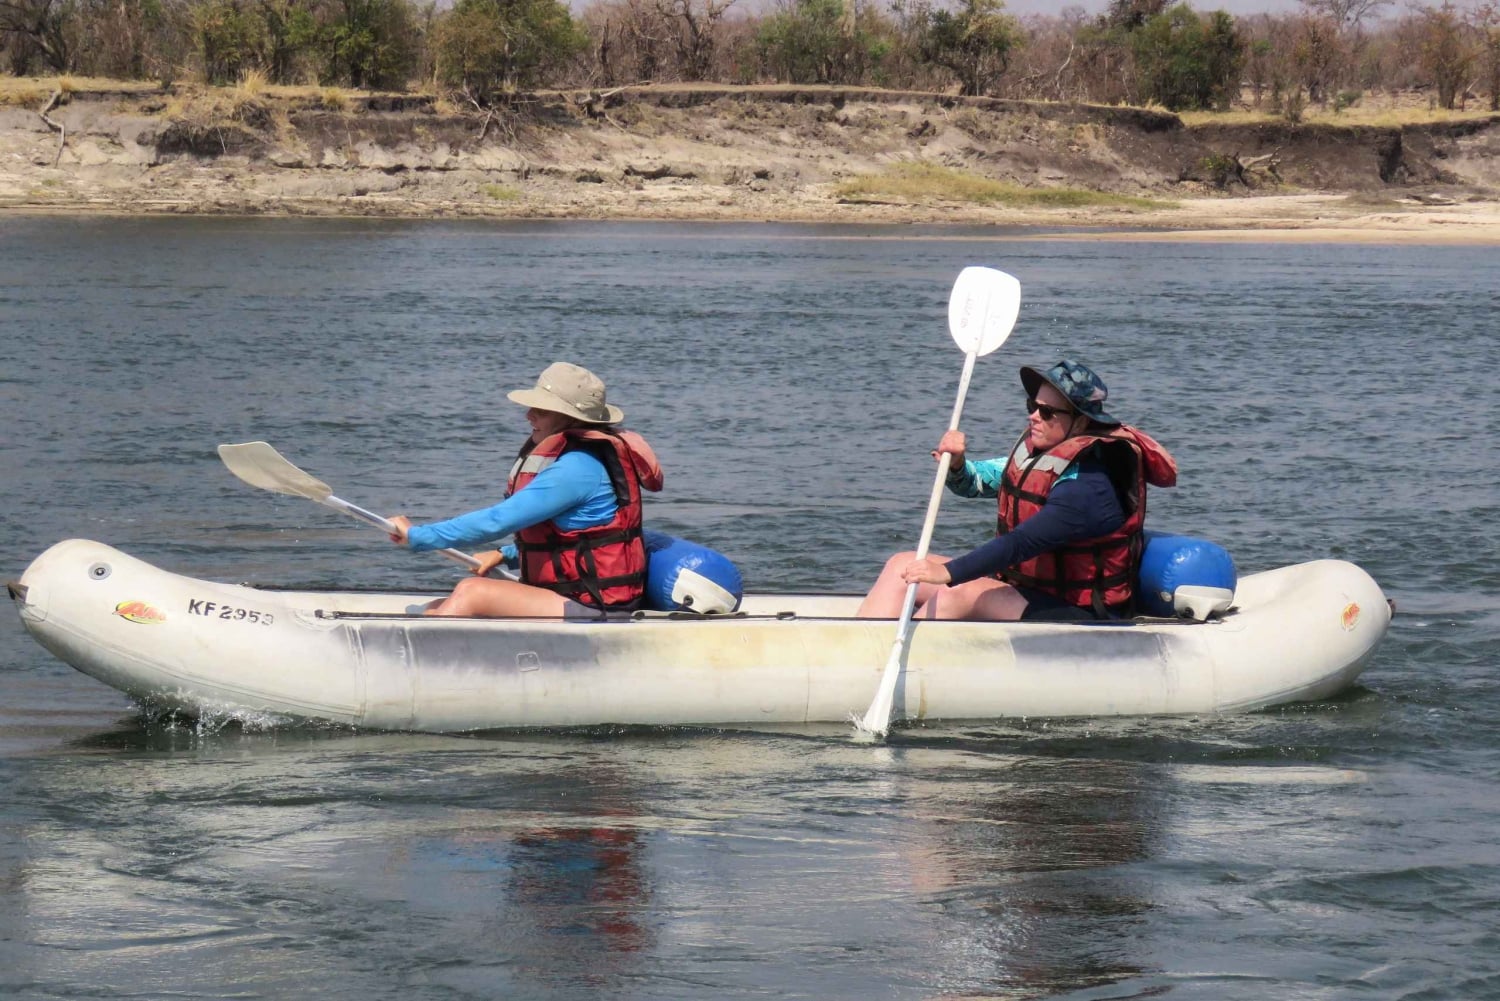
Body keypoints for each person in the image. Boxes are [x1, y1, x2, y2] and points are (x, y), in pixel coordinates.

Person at [856, 358, 1177, 622]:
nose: (1033, 416)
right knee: (903, 564)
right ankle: (859, 651)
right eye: (1033, 405)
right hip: (1026, 592)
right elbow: (978, 482)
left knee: (959, 591)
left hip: (1081, 613)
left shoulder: (1090, 487)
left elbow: (1022, 543)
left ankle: (896, 668)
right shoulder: (1041, 458)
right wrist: (956, 465)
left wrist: (948, 572)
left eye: (1047, 412)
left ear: (1080, 423)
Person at [388, 362, 663, 617]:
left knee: (472, 592)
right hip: (576, 595)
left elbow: (498, 520)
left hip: (594, 605)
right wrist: (505, 554)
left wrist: (417, 535)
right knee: (437, 606)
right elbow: (571, 542)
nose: (528, 415)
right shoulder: (579, 459)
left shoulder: (577, 469)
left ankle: (429, 663)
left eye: (541, 411)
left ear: (568, 418)